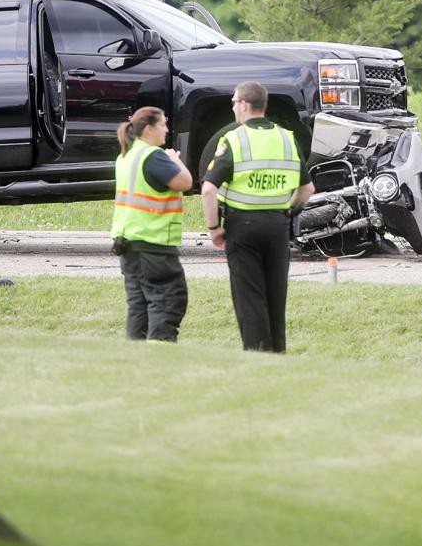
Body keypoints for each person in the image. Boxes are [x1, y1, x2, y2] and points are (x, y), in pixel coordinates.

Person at [201, 82, 314, 352]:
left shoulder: (234, 139)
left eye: (233, 102)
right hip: (277, 226)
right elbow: (307, 189)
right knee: (276, 296)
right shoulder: (286, 138)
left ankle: (257, 354)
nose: (232, 107)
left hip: (243, 227)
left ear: (243, 104)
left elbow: (208, 189)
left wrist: (214, 227)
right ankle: (277, 354)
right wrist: (288, 209)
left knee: (249, 297)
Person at [111, 106, 193, 342]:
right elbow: (185, 182)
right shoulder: (153, 156)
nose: (167, 129)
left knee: (139, 304)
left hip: (128, 241)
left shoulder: (127, 154)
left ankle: (136, 354)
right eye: (163, 125)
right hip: (153, 243)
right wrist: (175, 160)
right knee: (167, 301)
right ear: (149, 129)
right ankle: (159, 353)